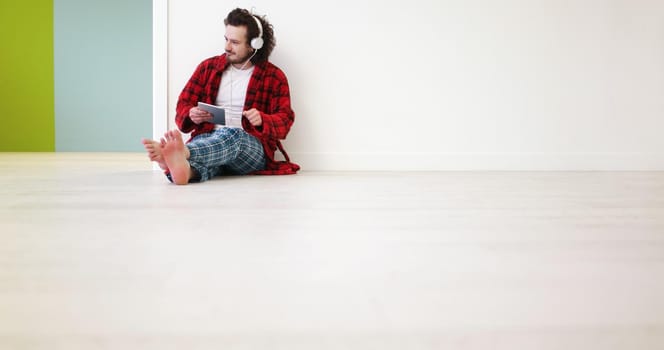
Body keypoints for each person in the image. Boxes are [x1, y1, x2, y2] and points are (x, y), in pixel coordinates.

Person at [142, 8, 299, 185]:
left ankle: (183, 153)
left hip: (250, 147)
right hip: (208, 139)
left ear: (254, 45)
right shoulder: (208, 68)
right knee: (207, 165)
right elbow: (183, 105)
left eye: (234, 42)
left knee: (233, 134)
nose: (227, 47)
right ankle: (184, 170)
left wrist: (263, 120)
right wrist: (191, 113)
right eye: (226, 39)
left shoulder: (274, 76)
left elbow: (285, 121)